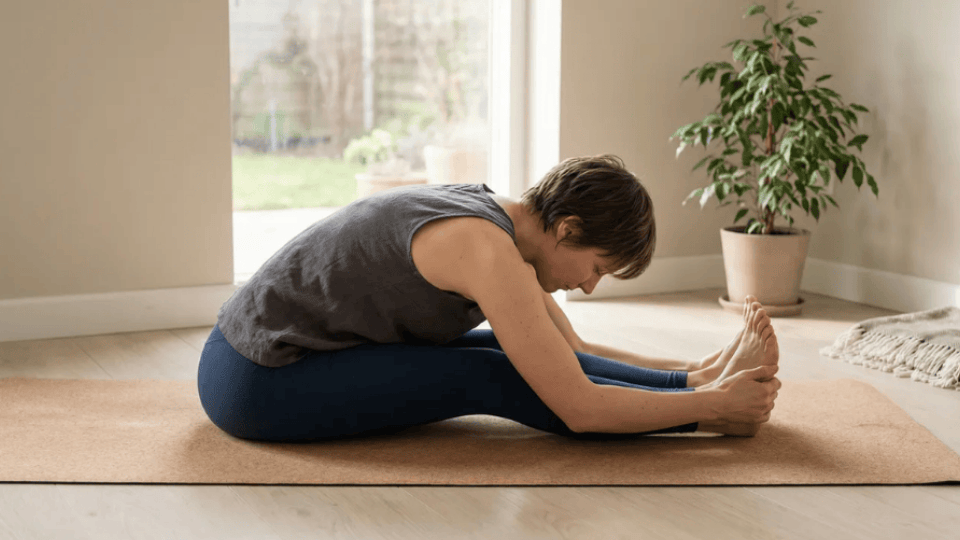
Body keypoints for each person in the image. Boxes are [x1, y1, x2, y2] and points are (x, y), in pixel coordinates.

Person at [197, 154, 781, 442]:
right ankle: (711, 410)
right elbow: (579, 408)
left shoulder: (503, 220)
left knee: (502, 349)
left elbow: (570, 349)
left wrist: (696, 375)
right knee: (489, 375)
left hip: (269, 355)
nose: (589, 285)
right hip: (256, 378)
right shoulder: (484, 250)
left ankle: (699, 386)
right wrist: (710, 411)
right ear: (568, 229)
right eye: (597, 268)